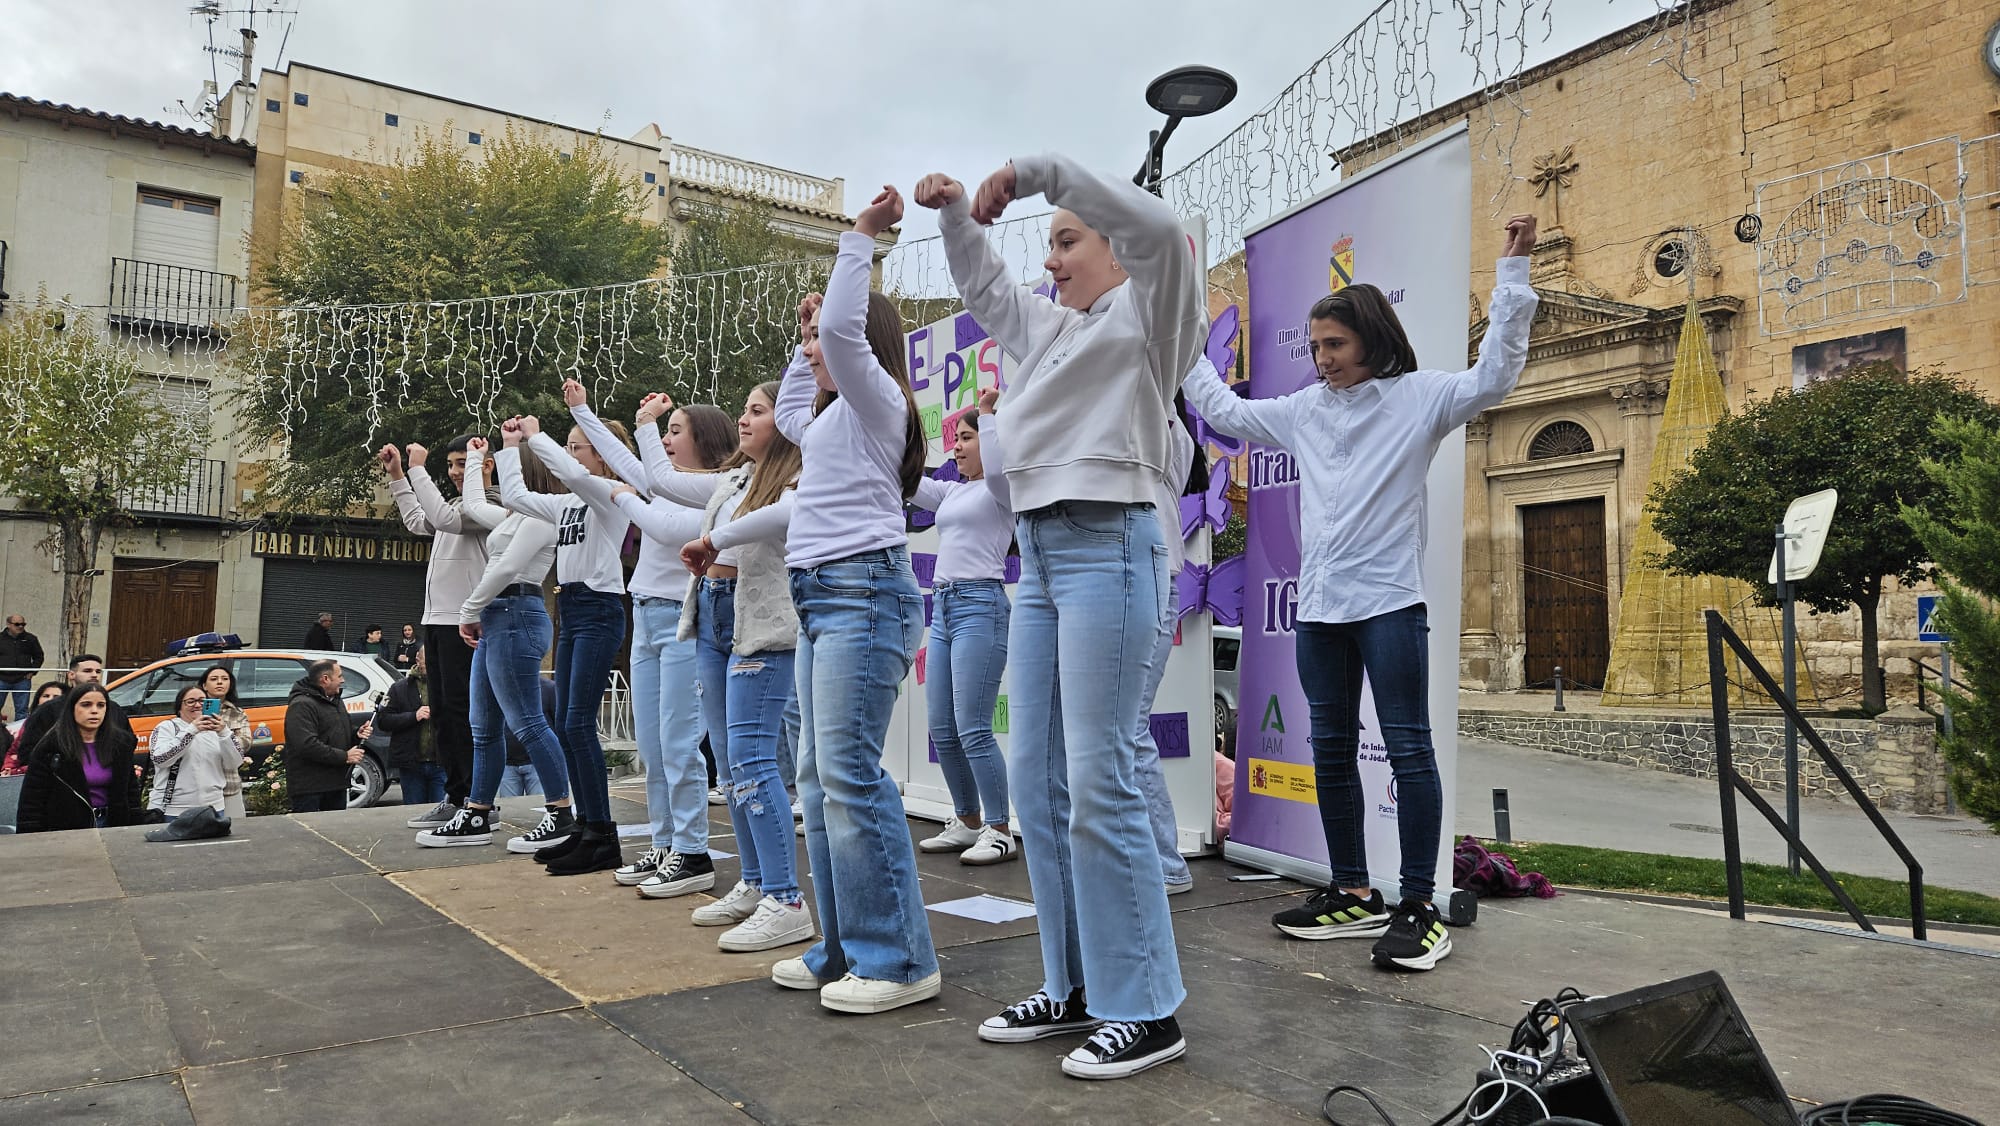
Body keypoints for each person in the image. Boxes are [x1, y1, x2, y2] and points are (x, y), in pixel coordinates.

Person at [1183, 213, 1541, 973]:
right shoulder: (1308, 410)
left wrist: (1512, 278)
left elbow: (1497, 377)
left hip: (1389, 605)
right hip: (1319, 611)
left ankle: (1418, 903)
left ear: (1372, 339)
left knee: (1409, 751)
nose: (1321, 360)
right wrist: (1183, 330)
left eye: (1334, 346)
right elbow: (1225, 411)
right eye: (1314, 348)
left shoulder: (1422, 398)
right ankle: (1352, 890)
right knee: (1333, 752)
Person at [916, 155, 1203, 1078]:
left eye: (1068, 241)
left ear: (1117, 253)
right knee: (1037, 781)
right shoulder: (1049, 331)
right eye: (1049, 244)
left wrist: (1041, 173)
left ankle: (1148, 1007)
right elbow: (986, 282)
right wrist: (961, 215)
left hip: (1112, 547)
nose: (1050, 262)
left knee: (1103, 773)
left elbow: (1163, 233)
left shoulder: (1151, 318)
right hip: (1035, 557)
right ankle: (1075, 985)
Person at [765, 186, 936, 1014]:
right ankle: (840, 947)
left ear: (865, 346)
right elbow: (794, 404)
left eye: (826, 338)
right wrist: (803, 345)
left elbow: (840, 329)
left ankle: (900, 960)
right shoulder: (832, 418)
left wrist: (859, 239)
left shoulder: (880, 405)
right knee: (818, 776)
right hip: (824, 600)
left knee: (847, 776)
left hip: (862, 595)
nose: (816, 345)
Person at [565, 379, 734, 897]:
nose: (665, 441)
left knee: (680, 742)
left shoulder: (716, 492)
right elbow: (625, 461)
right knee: (654, 744)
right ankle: (666, 844)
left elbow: (662, 526)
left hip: (684, 621)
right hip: (645, 616)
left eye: (675, 431)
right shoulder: (666, 484)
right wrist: (583, 411)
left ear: (703, 440)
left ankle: (692, 852)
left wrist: (624, 494)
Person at [652, 381, 806, 946]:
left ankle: (786, 897)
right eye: (743, 410)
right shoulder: (736, 479)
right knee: (730, 761)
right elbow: (658, 479)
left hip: (760, 622)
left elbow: (784, 518)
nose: (744, 420)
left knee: (751, 757)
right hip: (713, 618)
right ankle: (757, 880)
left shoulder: (796, 477)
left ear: (785, 421)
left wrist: (715, 537)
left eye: (757, 411)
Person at [417, 437, 574, 853]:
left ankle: (560, 812)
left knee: (526, 721)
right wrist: (475, 458)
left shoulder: (540, 518)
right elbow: (472, 504)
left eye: (511, 468)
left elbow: (506, 567)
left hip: (517, 614)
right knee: (482, 725)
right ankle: (477, 810)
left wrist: (469, 608)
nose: (506, 477)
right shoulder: (511, 516)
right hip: (498, 617)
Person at [496, 413, 634, 874]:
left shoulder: (611, 496)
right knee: (570, 726)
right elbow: (515, 496)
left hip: (598, 609)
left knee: (576, 724)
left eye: (580, 445)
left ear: (602, 453)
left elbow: (574, 473)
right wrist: (511, 447)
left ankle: (601, 835)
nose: (571, 455)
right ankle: (584, 827)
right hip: (571, 609)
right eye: (568, 446)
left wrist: (538, 437)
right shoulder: (569, 503)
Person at [911, 394, 1017, 866]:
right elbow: (908, 483)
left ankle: (999, 829)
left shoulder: (1002, 488)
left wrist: (990, 416)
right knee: (943, 726)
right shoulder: (952, 492)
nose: (956, 448)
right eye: (954, 440)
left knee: (974, 726)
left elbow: (996, 469)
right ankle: (968, 819)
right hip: (946, 607)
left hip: (982, 605)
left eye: (967, 438)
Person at [383, 437, 501, 832]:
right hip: (438, 619)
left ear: (487, 465)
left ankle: (477, 798)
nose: (453, 471)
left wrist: (417, 469)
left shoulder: (491, 504)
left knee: (466, 713)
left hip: (465, 621)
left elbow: (446, 520)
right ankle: (456, 796)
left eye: (462, 463)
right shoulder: (453, 504)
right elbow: (421, 521)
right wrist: (399, 475)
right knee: (446, 714)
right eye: (450, 464)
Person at [16, 684, 142, 832]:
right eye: (86, 705)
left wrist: (135, 829)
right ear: (72, 708)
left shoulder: (121, 744)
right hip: (66, 830)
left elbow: (131, 794)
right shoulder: (51, 747)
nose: (95, 711)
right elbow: (32, 800)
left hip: (113, 826)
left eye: (101, 705)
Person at [10, 654, 134, 771]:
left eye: (98, 671)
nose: (94, 675)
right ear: (71, 675)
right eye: (87, 671)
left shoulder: (113, 709)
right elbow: (28, 751)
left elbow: (128, 742)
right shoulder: (49, 709)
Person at [282, 659, 371, 813]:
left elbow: (336, 731)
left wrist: (356, 734)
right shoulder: (302, 705)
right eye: (340, 676)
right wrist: (344, 756)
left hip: (336, 784)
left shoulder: (335, 700)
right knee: (310, 834)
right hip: (310, 788)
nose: (343, 680)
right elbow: (306, 745)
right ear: (325, 679)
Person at [146, 685, 244, 819]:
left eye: (203, 701)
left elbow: (235, 763)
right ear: (179, 706)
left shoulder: (217, 730)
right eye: (190, 701)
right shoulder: (167, 727)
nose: (197, 705)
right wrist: (191, 731)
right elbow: (160, 759)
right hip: (173, 810)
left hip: (213, 808)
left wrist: (224, 733)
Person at [378, 648, 446, 809]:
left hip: (441, 763)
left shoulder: (446, 687)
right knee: (413, 812)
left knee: (442, 811)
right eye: (429, 659)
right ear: (418, 660)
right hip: (412, 764)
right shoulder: (398, 688)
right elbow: (384, 720)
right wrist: (413, 716)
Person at [197, 664, 252, 819]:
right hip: (200, 785)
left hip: (229, 783)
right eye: (214, 679)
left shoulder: (237, 713)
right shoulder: (194, 710)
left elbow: (245, 743)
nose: (220, 682)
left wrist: (224, 733)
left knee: (235, 830)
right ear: (204, 685)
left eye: (225, 679)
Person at [495, 675, 556, 799]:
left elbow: (557, 723)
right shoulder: (498, 687)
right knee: (510, 811)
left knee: (539, 808)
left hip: (538, 763)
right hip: (507, 763)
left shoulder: (549, 688)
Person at [1, 613, 44, 721]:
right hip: (1, 678)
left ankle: (20, 736)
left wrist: (32, 672)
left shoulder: (31, 639)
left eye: (23, 624)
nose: (20, 627)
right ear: (8, 624)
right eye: (17, 624)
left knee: (22, 711)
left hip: (22, 680)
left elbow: (39, 656)